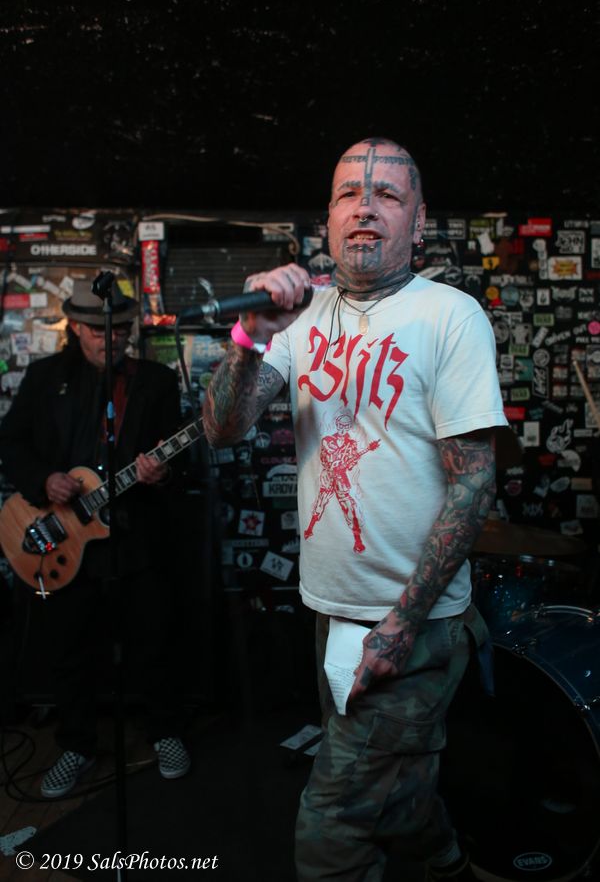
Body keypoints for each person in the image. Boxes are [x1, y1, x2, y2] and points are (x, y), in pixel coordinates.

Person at [203, 137, 507, 881]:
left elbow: (473, 484)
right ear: (329, 218)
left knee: (334, 822)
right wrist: (249, 340)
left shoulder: (450, 315)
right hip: (331, 610)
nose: (365, 208)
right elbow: (223, 428)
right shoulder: (299, 317)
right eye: (348, 194)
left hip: (415, 623)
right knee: (394, 786)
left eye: (387, 195)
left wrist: (401, 625)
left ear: (419, 221)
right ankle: (445, 863)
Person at [0, 280, 191, 797]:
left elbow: (183, 459)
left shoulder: (155, 381)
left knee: (154, 641)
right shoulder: (45, 378)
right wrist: (44, 479)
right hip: (64, 538)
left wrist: (163, 474)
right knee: (71, 650)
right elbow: (11, 442)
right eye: (99, 330)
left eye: (122, 329)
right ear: (76, 329)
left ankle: (165, 732)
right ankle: (77, 745)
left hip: (136, 539)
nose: (113, 338)